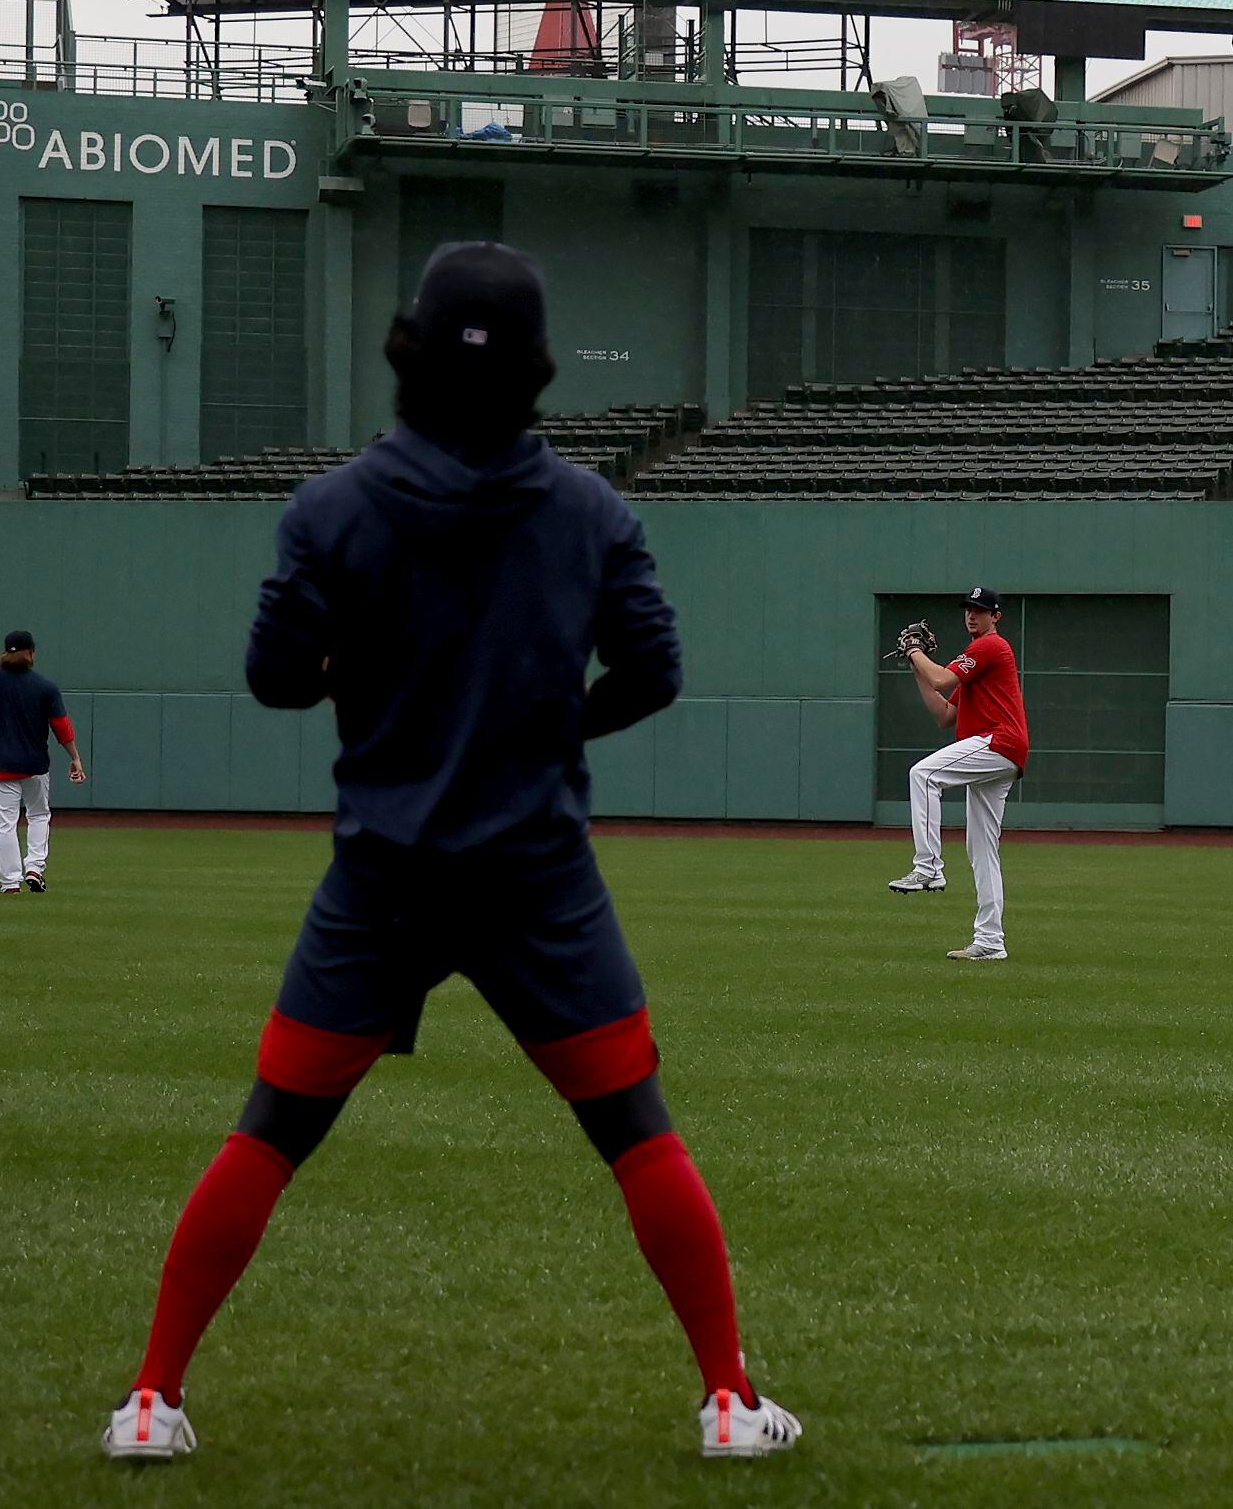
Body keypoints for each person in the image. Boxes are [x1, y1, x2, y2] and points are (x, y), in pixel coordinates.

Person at [102, 242, 798, 1465]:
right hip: (539, 883)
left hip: (382, 881)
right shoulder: (593, 510)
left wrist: (371, 686)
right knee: (637, 1126)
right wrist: (546, 722)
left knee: (270, 1127)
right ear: (538, 372)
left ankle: (153, 1397)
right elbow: (655, 670)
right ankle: (731, 1401)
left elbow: (272, 677)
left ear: (406, 353)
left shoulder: (330, 510)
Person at [887, 588, 1031, 962]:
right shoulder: (975, 663)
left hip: (998, 742)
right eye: (969, 609)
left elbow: (942, 680)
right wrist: (916, 663)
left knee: (923, 774)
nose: (972, 616)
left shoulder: (990, 647)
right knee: (981, 848)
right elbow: (944, 715)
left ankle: (928, 868)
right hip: (1000, 751)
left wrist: (917, 652)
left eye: (980, 610)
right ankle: (990, 941)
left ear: (995, 616)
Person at [0, 629, 85, 895]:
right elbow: (62, 726)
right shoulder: (45, 686)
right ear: (31, 653)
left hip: (2, 766)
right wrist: (76, 758)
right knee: (38, 816)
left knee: (5, 824)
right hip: (36, 766)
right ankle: (34, 868)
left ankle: (10, 883)